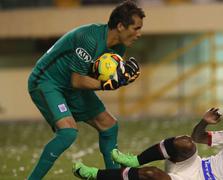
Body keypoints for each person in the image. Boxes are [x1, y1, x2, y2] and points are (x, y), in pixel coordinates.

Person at [27, 1, 145, 179]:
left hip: (70, 87)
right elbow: (78, 80)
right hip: (47, 82)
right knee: (67, 133)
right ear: (121, 26)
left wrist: (122, 79)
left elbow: (100, 78)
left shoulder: (119, 48)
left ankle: (114, 177)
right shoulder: (90, 38)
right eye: (136, 28)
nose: (139, 34)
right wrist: (109, 84)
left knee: (109, 126)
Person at [73, 107, 223, 180]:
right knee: (185, 142)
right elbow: (198, 137)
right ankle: (134, 160)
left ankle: (93, 174)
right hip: (196, 165)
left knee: (151, 175)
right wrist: (204, 122)